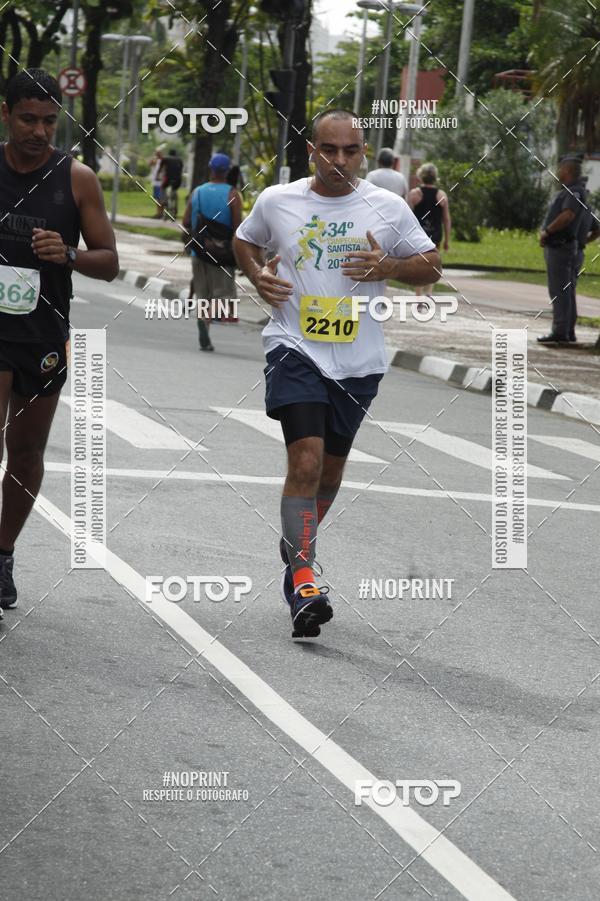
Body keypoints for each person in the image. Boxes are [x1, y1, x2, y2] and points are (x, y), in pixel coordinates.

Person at [233, 109, 441, 639]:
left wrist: (390, 267)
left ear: (364, 152)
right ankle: (304, 579)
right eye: (330, 150)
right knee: (304, 460)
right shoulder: (278, 201)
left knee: (328, 474)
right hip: (294, 349)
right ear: (312, 151)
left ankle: (294, 543)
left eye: (351, 151)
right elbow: (245, 239)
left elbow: (432, 264)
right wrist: (258, 276)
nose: (340, 161)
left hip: (359, 362)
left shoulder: (387, 206)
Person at [0, 69, 119, 617]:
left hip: (43, 334)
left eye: (49, 121)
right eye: (28, 118)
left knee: (25, 452)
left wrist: (67, 254)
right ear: (6, 114)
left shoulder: (77, 179)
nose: (39, 131)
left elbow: (109, 262)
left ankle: (3, 554)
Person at [182, 152, 242, 351]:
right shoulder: (233, 195)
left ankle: (203, 322)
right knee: (221, 294)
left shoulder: (197, 192)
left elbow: (185, 222)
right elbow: (237, 229)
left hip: (198, 253)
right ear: (227, 171)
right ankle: (208, 320)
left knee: (202, 294)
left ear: (210, 169)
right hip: (221, 255)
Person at [538, 154, 588, 344]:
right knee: (565, 291)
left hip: (561, 246)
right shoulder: (571, 190)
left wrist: (547, 231)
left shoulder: (574, 192)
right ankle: (567, 330)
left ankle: (560, 331)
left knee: (560, 290)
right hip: (561, 246)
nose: (558, 172)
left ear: (567, 170)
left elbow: (567, 215)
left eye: (560, 169)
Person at [407, 162, 450, 301]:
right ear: (435, 177)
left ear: (421, 176)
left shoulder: (414, 194)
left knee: (419, 263)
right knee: (434, 263)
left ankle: (418, 294)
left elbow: (407, 217)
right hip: (435, 233)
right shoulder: (441, 195)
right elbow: (446, 219)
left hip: (419, 234)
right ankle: (429, 292)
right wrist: (447, 240)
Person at [158, 147, 183, 219]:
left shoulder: (165, 158)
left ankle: (164, 200)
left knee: (162, 187)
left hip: (168, 178)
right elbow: (181, 168)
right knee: (175, 189)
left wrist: (158, 176)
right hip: (178, 179)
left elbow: (160, 168)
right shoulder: (180, 159)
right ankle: (175, 204)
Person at [149, 148, 164, 218]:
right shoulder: (156, 161)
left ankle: (160, 213)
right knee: (158, 199)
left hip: (159, 182)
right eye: (156, 153)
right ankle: (159, 213)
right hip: (156, 182)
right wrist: (153, 157)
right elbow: (150, 163)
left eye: (158, 153)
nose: (157, 155)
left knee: (160, 198)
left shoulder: (162, 161)